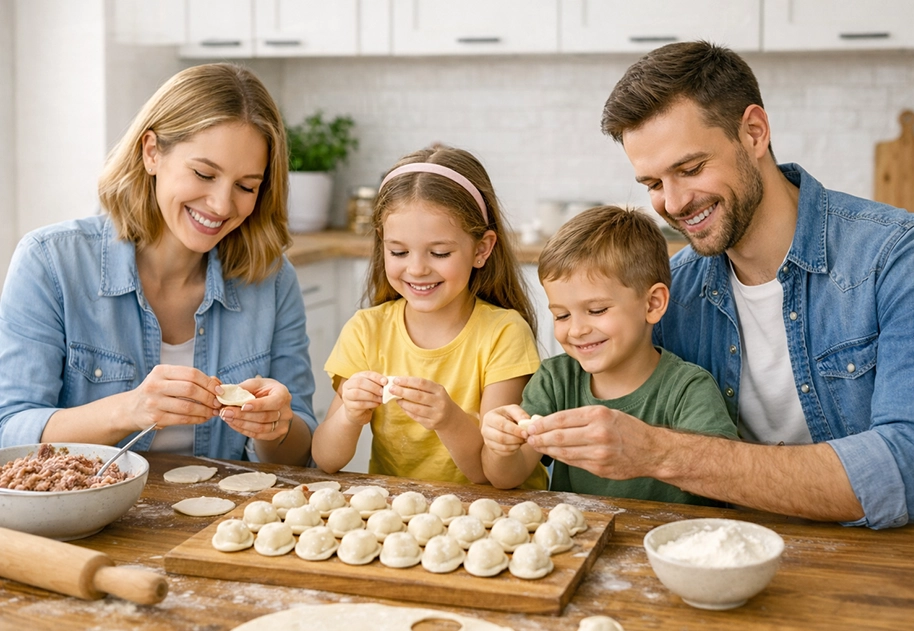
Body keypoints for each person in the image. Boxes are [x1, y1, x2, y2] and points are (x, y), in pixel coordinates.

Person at [512, 39, 914, 528]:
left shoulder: (904, 257)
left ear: (755, 133)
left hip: (880, 562)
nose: (674, 204)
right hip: (718, 551)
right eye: (653, 184)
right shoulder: (671, 293)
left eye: (691, 168)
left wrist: (661, 453)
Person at [0, 63, 316, 465]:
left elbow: (300, 453)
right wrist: (130, 410)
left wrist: (276, 427)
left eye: (246, 186)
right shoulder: (50, 263)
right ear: (152, 152)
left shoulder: (271, 280)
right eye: (204, 173)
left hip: (220, 522)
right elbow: (9, 433)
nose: (221, 205)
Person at [311, 145, 547, 488]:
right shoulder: (367, 330)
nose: (417, 269)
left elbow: (494, 475)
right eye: (399, 251)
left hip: (494, 512)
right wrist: (349, 414)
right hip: (403, 516)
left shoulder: (504, 333)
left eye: (439, 252)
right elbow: (326, 459)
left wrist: (450, 420)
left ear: (481, 249)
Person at [481, 205, 737, 504]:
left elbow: (720, 481)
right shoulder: (555, 380)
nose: (576, 330)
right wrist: (500, 448)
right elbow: (506, 478)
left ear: (653, 304)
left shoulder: (688, 390)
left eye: (597, 310)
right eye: (561, 316)